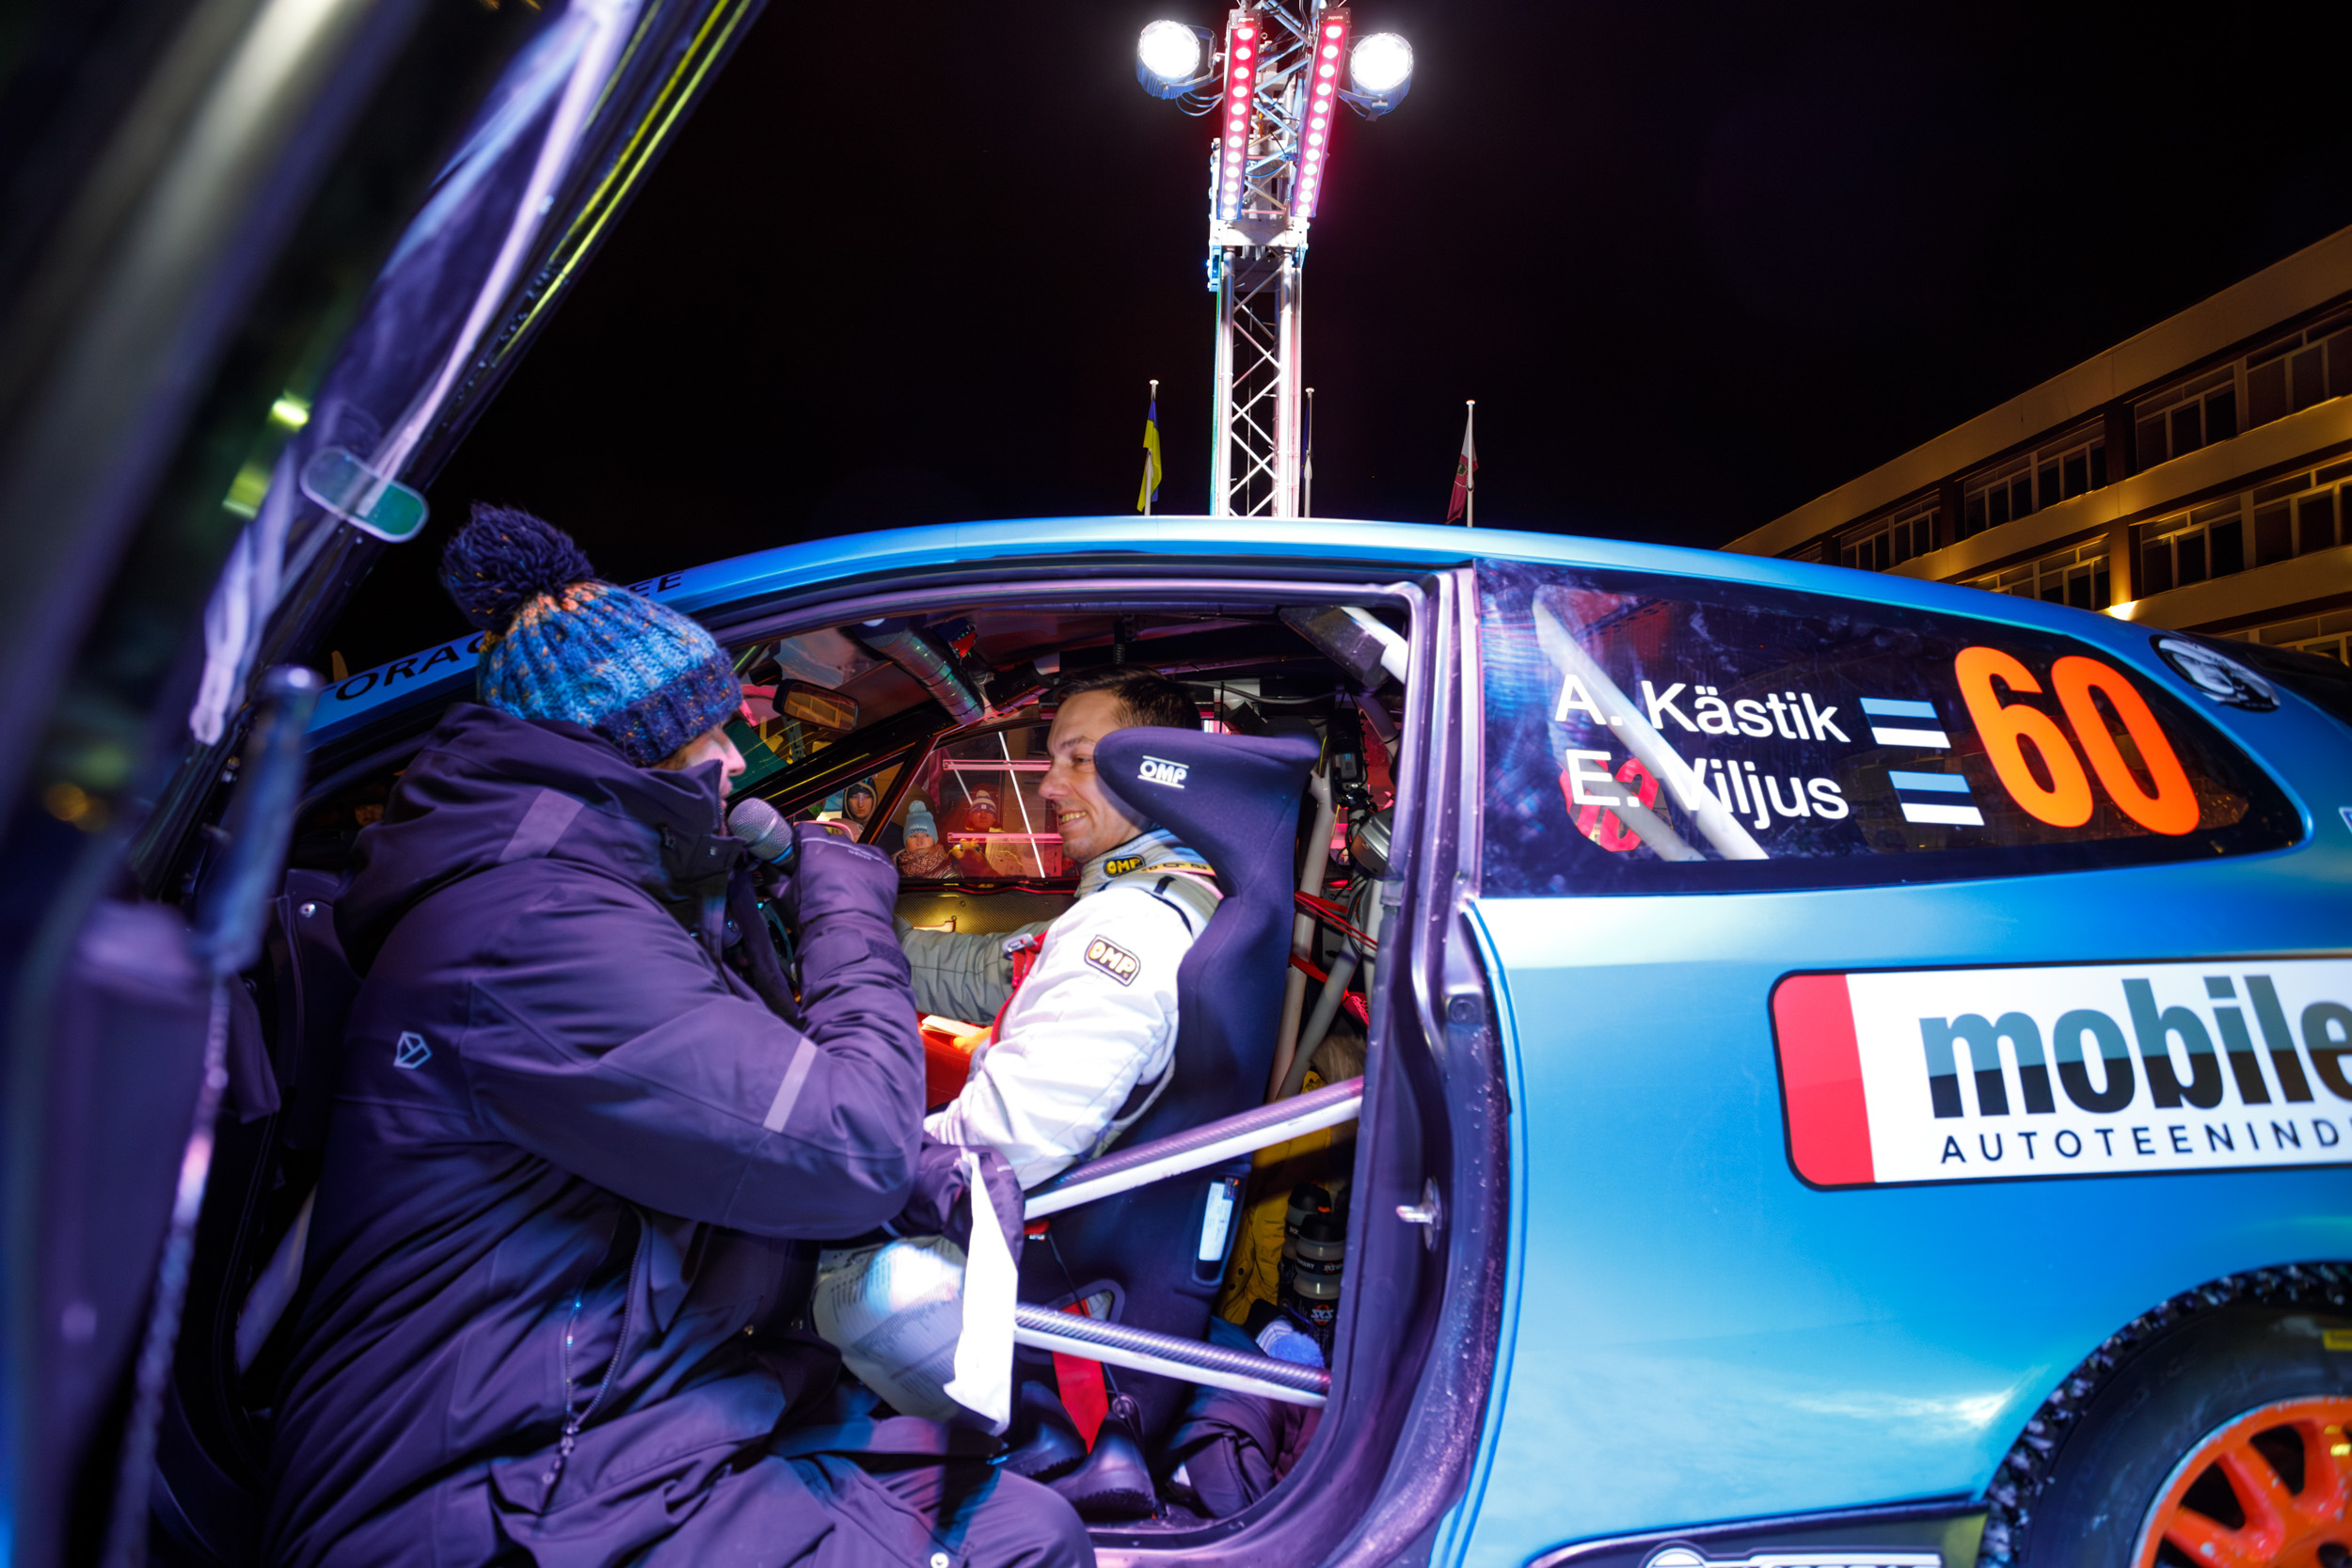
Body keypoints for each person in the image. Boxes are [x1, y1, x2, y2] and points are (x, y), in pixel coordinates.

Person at [262, 506, 1089, 1568]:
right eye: (711, 733)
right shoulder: (536, 928)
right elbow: (844, 1148)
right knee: (1021, 1546)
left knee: (1027, 1517)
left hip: (615, 1425)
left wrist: (922, 1176)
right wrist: (849, 917)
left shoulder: (590, 902)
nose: (736, 759)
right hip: (490, 1494)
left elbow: (736, 1112)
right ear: (638, 754)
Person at [901, 667, 1216, 1190]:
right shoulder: (1162, 888)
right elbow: (997, 970)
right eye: (1052, 760)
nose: (1048, 785)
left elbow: (1001, 1152)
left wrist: (846, 1159)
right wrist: (864, 937)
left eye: (1081, 760)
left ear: (1159, 772)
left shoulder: (1133, 924)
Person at [897, 800, 954, 879]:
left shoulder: (948, 872)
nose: (920, 842)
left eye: (926, 836)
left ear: (934, 840)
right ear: (906, 842)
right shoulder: (894, 869)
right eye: (914, 836)